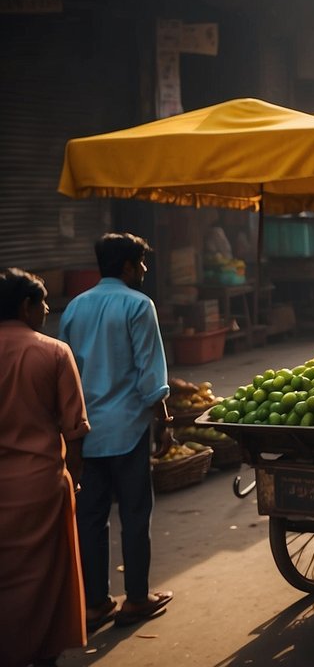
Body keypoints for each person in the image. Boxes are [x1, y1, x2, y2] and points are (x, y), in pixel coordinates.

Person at [59, 233, 173, 631]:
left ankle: (94, 603)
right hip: (128, 429)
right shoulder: (139, 305)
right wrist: (164, 422)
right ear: (126, 265)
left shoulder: (74, 308)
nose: (144, 269)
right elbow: (150, 375)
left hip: (86, 434)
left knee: (90, 518)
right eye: (140, 263)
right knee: (135, 514)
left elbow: (67, 374)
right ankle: (137, 599)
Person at [0, 268, 90, 666]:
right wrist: (77, 481)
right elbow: (74, 432)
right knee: (48, 581)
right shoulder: (53, 351)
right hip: (41, 486)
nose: (49, 309)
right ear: (26, 306)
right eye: (44, 301)